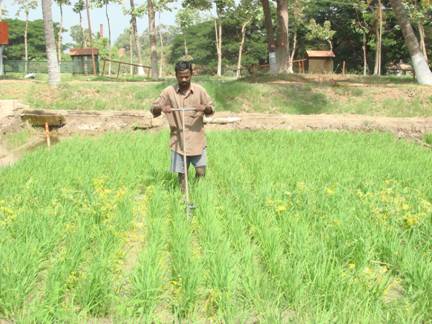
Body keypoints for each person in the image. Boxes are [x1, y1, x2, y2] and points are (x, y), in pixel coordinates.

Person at [151, 61, 215, 192]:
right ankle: (183, 198)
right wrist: (161, 108)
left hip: (197, 139)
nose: (184, 79)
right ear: (176, 75)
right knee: (182, 174)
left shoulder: (199, 90)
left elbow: (211, 109)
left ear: (191, 74)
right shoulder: (169, 92)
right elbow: (153, 109)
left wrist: (205, 108)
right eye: (181, 77)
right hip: (178, 141)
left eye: (187, 76)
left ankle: (196, 191)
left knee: (201, 171)